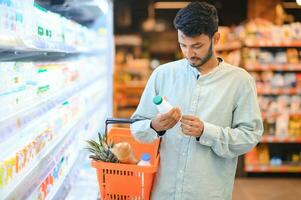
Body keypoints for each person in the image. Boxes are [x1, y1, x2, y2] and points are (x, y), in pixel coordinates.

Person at [130, 1, 263, 200]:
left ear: (215, 38)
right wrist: (154, 126)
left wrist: (206, 132)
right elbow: (136, 127)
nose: (189, 53)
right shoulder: (163, 75)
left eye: (197, 46)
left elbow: (250, 136)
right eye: (183, 45)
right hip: (164, 193)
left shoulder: (240, 81)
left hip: (209, 194)